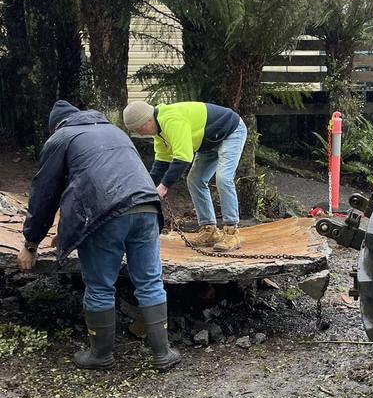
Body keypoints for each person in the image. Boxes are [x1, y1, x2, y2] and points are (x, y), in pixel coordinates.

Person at [17, 101, 180, 372]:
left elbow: (45, 196)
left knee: (100, 286)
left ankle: (100, 355)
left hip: (104, 215)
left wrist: (31, 244)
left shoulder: (61, 138)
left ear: (56, 126)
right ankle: (163, 354)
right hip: (148, 209)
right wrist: (70, 231)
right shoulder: (116, 132)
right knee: (150, 281)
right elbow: (101, 177)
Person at [122, 100, 247, 252]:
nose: (139, 133)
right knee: (195, 180)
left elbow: (183, 158)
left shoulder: (171, 120)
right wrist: (146, 188)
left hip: (230, 130)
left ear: (148, 120)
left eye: (139, 128)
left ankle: (231, 232)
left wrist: (163, 186)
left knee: (223, 178)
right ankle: (209, 230)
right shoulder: (159, 132)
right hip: (207, 141)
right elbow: (161, 163)